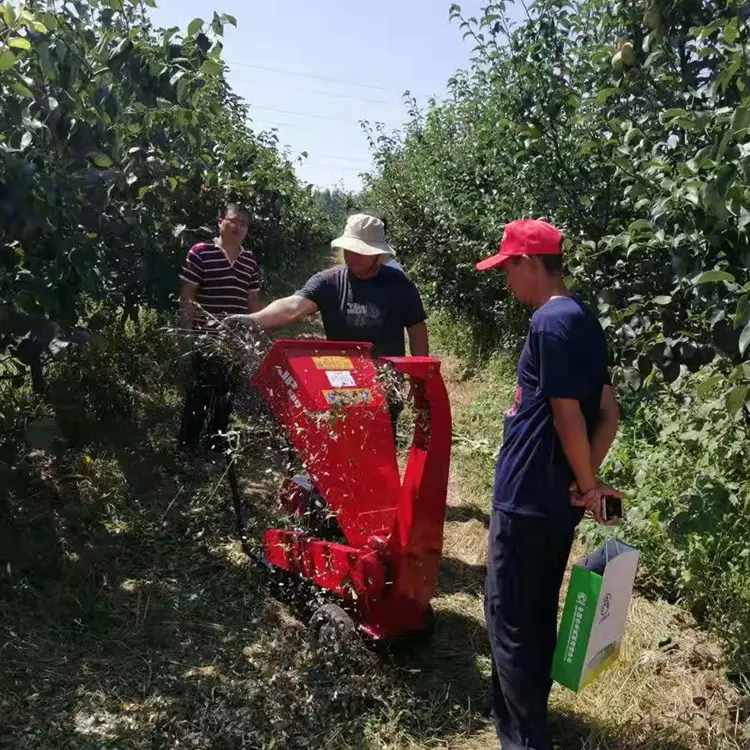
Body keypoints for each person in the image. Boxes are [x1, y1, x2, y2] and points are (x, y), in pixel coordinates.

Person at [475, 219, 622, 750]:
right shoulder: (584, 319)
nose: (506, 282)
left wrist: (586, 480)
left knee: (509, 620)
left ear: (529, 264)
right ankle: (524, 720)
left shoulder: (548, 323)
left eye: (507, 270)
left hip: (525, 497)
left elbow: (567, 416)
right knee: (535, 615)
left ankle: (523, 739)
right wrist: (586, 486)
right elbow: (608, 412)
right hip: (556, 501)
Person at [226, 213, 429, 431]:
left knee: (381, 439)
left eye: (362, 252)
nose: (353, 256)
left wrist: (420, 376)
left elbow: (416, 327)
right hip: (341, 379)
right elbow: (292, 307)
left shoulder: (398, 284)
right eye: (349, 250)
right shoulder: (329, 282)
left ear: (377, 254)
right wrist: (252, 320)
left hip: (384, 380)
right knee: (341, 434)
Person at [178, 202, 263, 453]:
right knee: (199, 395)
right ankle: (187, 449)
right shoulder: (200, 252)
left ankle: (215, 446)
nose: (237, 227)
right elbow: (187, 296)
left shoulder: (249, 261)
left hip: (235, 340)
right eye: (233, 221)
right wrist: (185, 334)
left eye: (244, 224)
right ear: (220, 221)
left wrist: (258, 335)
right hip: (206, 338)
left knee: (226, 397)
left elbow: (253, 301)